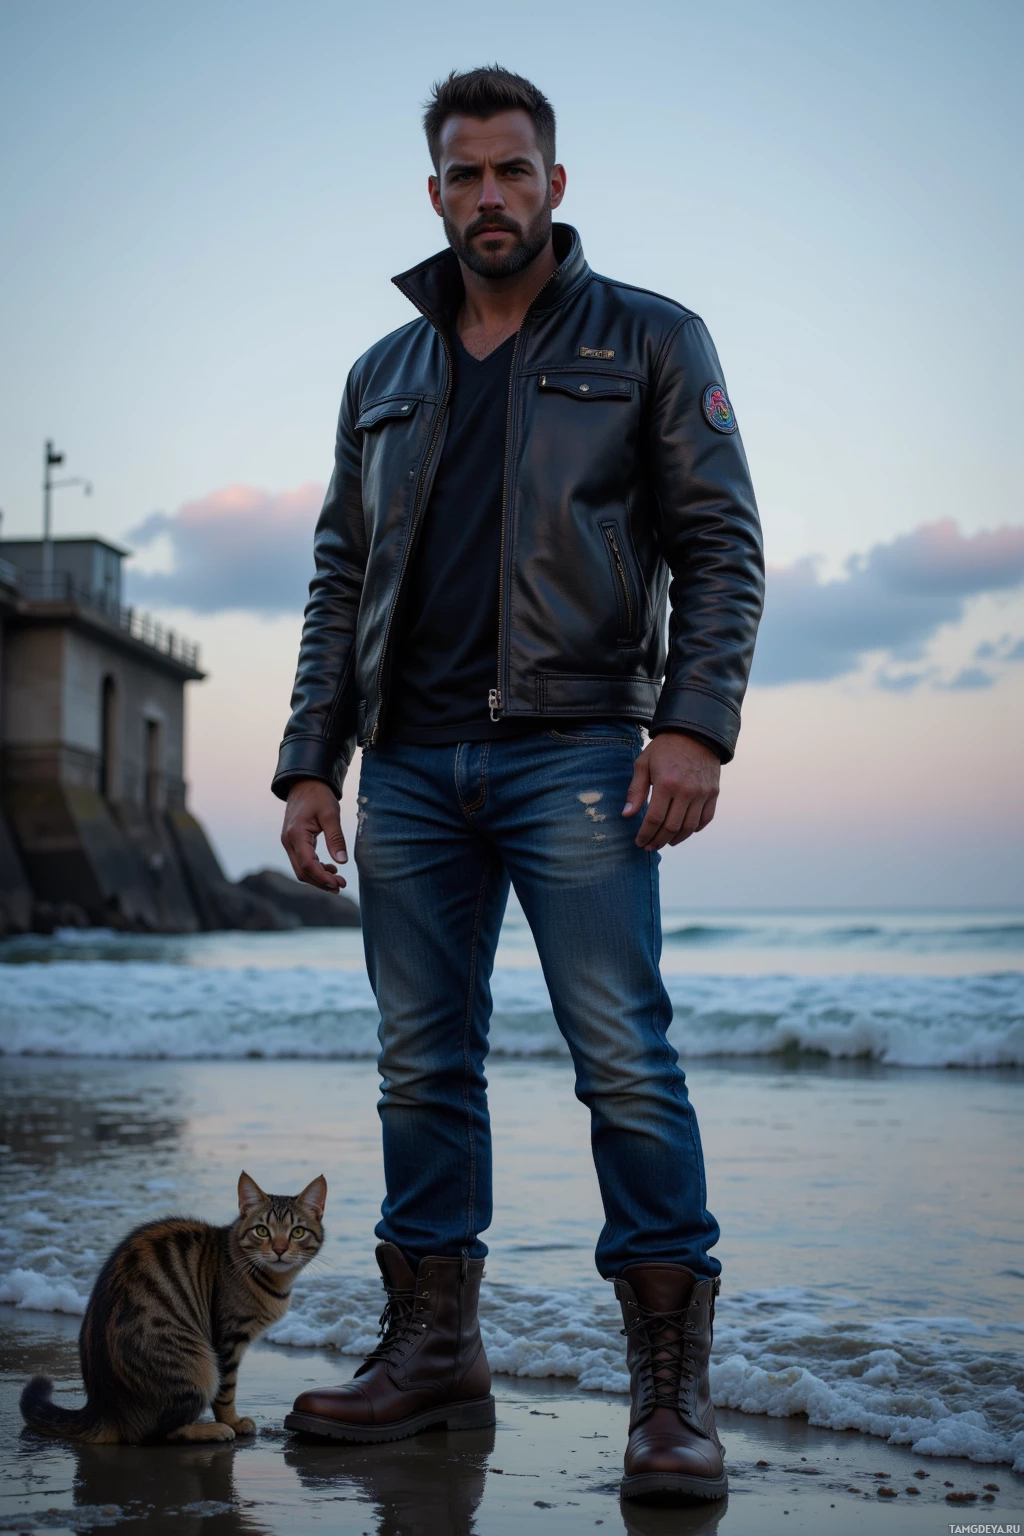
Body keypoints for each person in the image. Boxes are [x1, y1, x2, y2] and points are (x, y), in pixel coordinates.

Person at [273, 65, 764, 1503]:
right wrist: (314, 759)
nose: (491, 194)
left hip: (577, 751)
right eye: (464, 174)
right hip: (411, 766)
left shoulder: (654, 340)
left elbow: (722, 545)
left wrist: (694, 729)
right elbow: (337, 573)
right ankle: (432, 1352)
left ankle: (669, 1397)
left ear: (556, 183)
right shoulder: (385, 374)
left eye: (514, 169)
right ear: (435, 192)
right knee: (421, 1068)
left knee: (623, 1059)